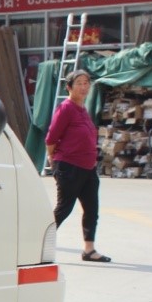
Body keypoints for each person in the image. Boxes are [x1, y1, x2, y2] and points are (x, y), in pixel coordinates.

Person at [46, 70, 111, 263]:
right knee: (64, 208)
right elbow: (51, 137)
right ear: (69, 87)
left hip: (88, 168)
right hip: (69, 165)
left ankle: (89, 250)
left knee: (92, 209)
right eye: (79, 84)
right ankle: (35, 241)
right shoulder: (66, 108)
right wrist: (52, 158)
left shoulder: (83, 109)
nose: (84, 87)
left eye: (86, 83)